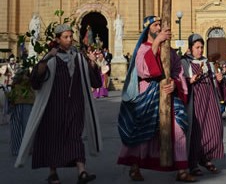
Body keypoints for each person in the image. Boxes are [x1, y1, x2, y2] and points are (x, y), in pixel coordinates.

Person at [15, 23, 103, 184]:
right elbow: (35, 81)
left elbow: (96, 82)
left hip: (75, 105)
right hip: (53, 106)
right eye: (65, 37)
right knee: (53, 138)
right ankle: (53, 173)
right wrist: (47, 58)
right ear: (57, 39)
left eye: (71, 36)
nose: (69, 40)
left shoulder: (79, 57)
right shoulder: (50, 58)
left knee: (75, 136)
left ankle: (82, 171)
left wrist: (92, 63)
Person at [117, 15, 194, 182]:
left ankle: (182, 170)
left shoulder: (170, 52)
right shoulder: (143, 48)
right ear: (148, 29)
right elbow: (144, 69)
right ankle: (135, 166)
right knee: (143, 130)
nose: (159, 28)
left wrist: (174, 83)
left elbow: (177, 71)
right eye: (155, 25)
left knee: (179, 127)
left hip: (169, 93)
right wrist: (157, 42)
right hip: (148, 92)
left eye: (160, 25)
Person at [181, 34, 224, 176]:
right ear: (191, 48)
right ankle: (193, 163)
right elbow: (179, 82)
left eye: (201, 47)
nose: (200, 50)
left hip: (209, 99)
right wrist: (189, 80)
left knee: (214, 128)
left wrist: (218, 79)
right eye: (197, 47)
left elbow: (214, 81)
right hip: (195, 101)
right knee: (196, 132)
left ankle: (206, 158)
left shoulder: (207, 62)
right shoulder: (185, 62)